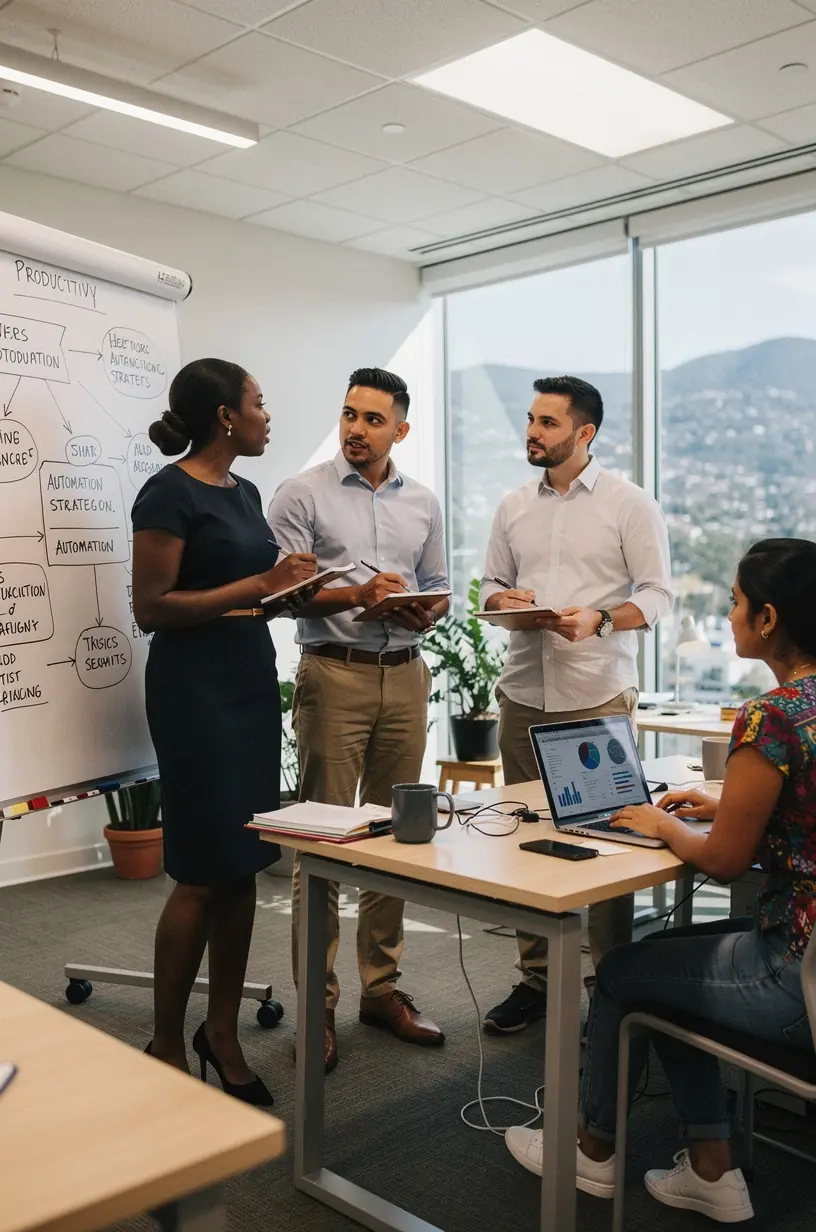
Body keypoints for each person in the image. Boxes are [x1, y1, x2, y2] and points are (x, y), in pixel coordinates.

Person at [506, 537, 816, 1224]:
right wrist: (723, 806)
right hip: (806, 948)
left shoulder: (772, 717)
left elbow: (726, 863)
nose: (731, 614)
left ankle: (590, 1151)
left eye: (736, 602)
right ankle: (712, 1168)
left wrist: (662, 823)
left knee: (622, 971)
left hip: (794, 979)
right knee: (673, 966)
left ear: (767, 619)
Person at [132, 358, 317, 1105]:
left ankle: (223, 1033)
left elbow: (254, 600)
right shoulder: (167, 491)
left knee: (242, 863)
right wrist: (257, 587)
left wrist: (293, 594)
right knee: (202, 870)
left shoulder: (244, 492)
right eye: (259, 403)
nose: (268, 416)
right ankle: (167, 1043)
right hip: (194, 689)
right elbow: (154, 607)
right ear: (224, 417)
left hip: (246, 676)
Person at [267, 367, 449, 1072]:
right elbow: (280, 596)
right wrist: (357, 591)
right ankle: (318, 1005)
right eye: (350, 414)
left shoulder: (424, 502)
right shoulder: (301, 492)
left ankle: (383, 990)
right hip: (332, 674)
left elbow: (439, 588)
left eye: (374, 419)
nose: (357, 428)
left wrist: (423, 606)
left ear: (400, 429)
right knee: (322, 845)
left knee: (393, 841)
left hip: (405, 677)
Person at [480, 375, 673, 1033]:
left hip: (595, 697)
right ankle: (535, 979)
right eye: (531, 419)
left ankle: (611, 984)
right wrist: (506, 603)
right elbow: (490, 587)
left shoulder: (629, 504)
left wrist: (598, 617)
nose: (532, 433)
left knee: (609, 841)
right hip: (521, 696)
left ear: (584, 433)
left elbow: (657, 596)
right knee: (526, 839)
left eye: (548, 423)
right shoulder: (511, 505)